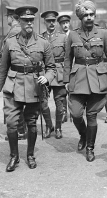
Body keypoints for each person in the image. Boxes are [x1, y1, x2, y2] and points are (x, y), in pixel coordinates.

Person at [0, 5, 56, 171]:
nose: (29, 23)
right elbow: (3, 68)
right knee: (11, 124)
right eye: (25, 20)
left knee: (32, 123)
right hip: (13, 86)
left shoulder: (43, 43)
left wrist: (46, 78)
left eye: (31, 20)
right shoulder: (10, 42)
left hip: (34, 86)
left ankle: (30, 154)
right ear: (19, 20)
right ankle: (14, 156)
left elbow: (52, 68)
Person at [63, 0, 107, 162]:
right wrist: (66, 79)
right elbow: (68, 59)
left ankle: (90, 148)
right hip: (78, 78)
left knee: (92, 115)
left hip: (97, 78)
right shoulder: (72, 35)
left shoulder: (103, 33)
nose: (88, 17)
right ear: (80, 17)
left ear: (95, 15)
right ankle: (83, 134)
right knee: (76, 114)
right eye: (85, 15)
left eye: (91, 14)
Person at [1, 6, 27, 141]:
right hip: (14, 71)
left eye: (7, 17)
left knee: (12, 103)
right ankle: (20, 130)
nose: (7, 19)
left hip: (13, 72)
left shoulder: (14, 31)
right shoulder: (15, 30)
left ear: (11, 17)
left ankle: (19, 131)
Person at [40, 11, 67, 139]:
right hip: (45, 73)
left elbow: (68, 58)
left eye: (53, 21)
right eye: (48, 21)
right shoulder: (40, 38)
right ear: (44, 22)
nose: (51, 23)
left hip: (60, 73)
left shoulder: (63, 37)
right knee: (43, 103)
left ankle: (58, 128)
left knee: (60, 103)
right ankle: (49, 126)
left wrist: (68, 76)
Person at [57, 14, 72, 123]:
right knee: (63, 92)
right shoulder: (59, 36)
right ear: (60, 25)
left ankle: (73, 113)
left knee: (73, 92)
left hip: (74, 66)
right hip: (63, 67)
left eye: (66, 23)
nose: (65, 25)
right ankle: (64, 113)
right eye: (63, 23)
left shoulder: (74, 35)